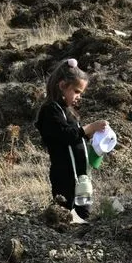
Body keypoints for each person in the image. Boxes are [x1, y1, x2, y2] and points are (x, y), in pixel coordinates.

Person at [35, 59, 109, 221]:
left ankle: (82, 228)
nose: (79, 97)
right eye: (76, 91)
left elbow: (75, 134)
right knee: (67, 212)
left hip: (81, 176)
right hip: (65, 177)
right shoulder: (50, 110)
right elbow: (64, 135)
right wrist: (88, 128)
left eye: (81, 93)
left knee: (83, 213)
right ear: (62, 86)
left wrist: (90, 136)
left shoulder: (68, 112)